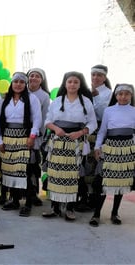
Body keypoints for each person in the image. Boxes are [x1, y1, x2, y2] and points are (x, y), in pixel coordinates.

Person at [42, 71, 97, 221]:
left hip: (75, 143)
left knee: (73, 176)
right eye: (70, 81)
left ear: (80, 85)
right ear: (65, 84)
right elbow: (47, 120)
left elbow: (93, 123)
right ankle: (54, 207)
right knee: (55, 174)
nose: (72, 84)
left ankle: (70, 208)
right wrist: (55, 128)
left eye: (76, 82)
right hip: (58, 142)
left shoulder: (86, 102)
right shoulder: (57, 101)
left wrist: (81, 132)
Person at [89, 84, 135, 227]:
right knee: (104, 181)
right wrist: (97, 146)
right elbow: (102, 131)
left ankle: (115, 213)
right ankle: (96, 214)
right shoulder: (109, 110)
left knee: (121, 182)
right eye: (120, 94)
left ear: (131, 96)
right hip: (111, 147)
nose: (123, 96)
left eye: (127, 94)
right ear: (115, 96)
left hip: (128, 149)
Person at [0, 72, 42, 217]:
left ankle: (28, 203)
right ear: (12, 83)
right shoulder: (5, 99)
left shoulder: (32, 99)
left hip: (24, 138)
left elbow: (37, 119)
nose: (18, 84)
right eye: (15, 81)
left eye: (21, 82)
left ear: (25, 84)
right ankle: (15, 200)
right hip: (8, 138)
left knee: (25, 171)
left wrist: (32, 136)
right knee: (11, 171)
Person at [75, 64, 113, 212]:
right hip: (83, 131)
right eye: (93, 75)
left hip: (98, 132)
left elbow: (106, 115)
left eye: (99, 75)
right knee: (81, 163)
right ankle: (81, 196)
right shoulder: (84, 91)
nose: (95, 77)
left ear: (105, 77)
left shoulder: (109, 94)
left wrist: (96, 98)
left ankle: (91, 199)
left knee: (93, 166)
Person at [26, 68, 51, 207]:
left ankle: (33, 193)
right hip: (21, 134)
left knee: (33, 165)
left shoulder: (44, 96)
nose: (34, 78)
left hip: (36, 136)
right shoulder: (22, 91)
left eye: (37, 76)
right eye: (31, 75)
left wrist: (37, 136)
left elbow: (45, 116)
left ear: (42, 80)